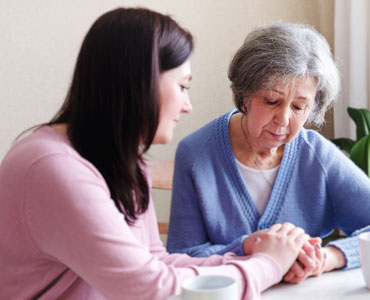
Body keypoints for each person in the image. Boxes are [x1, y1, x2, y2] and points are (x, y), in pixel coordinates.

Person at [0, 8, 311, 300]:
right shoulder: (51, 169)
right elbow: (149, 290)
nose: (187, 105)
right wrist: (268, 266)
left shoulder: (123, 161)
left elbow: (155, 262)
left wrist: (247, 253)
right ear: (141, 83)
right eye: (182, 86)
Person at [167, 22, 370, 284]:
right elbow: (181, 258)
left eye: (299, 107)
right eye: (272, 101)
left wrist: (326, 257)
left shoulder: (316, 154)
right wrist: (249, 247)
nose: (284, 119)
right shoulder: (195, 154)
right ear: (246, 95)